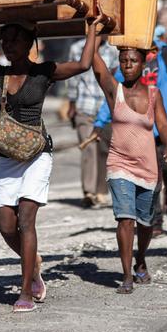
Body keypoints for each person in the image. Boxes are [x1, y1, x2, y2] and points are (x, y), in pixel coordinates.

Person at [0, 15, 104, 312]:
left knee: (26, 220)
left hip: (38, 154)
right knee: (6, 226)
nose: (9, 45)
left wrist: (91, 28)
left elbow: (82, 65)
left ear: (29, 43)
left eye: (15, 39)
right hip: (9, 157)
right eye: (5, 39)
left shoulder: (44, 72)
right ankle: (33, 266)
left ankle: (26, 290)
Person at [93, 25, 167, 234]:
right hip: (142, 130)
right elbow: (116, 95)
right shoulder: (129, 58)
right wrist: (100, 121)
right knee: (152, 175)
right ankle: (155, 220)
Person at [92, 42, 167, 294]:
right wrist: (94, 30)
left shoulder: (153, 95)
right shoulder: (113, 91)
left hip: (148, 165)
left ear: (143, 64)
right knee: (125, 219)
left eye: (133, 61)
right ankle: (127, 275)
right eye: (124, 61)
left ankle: (140, 258)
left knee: (145, 222)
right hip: (119, 163)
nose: (128, 66)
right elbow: (96, 65)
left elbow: (164, 123)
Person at [66, 37, 118, 208]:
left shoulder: (113, 49)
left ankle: (101, 191)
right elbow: (72, 80)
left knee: (104, 150)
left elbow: (114, 79)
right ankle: (89, 191)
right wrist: (72, 104)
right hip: (84, 106)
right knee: (88, 149)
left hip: (105, 108)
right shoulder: (77, 48)